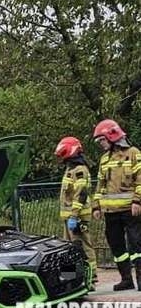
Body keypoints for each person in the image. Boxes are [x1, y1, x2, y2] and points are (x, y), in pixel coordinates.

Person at [91, 119, 141, 291]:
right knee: (116, 245)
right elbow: (100, 185)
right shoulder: (104, 159)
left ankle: (140, 279)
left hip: (130, 209)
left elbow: (140, 179)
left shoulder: (133, 153)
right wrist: (96, 206)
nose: (101, 144)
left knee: (136, 244)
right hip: (110, 212)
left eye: (102, 140)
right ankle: (126, 279)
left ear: (112, 136)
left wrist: (137, 200)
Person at [54, 136, 97, 290]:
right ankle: (69, 280)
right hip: (69, 218)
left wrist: (74, 215)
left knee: (84, 247)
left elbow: (81, 194)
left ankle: (90, 279)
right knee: (68, 249)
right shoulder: (70, 168)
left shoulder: (80, 170)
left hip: (78, 218)